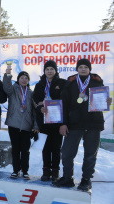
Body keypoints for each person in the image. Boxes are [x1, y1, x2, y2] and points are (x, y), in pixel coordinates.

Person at [53, 59, 112, 191]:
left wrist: (107, 100)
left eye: (86, 67)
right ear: (77, 69)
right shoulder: (71, 82)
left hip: (93, 123)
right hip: (74, 123)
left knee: (90, 153)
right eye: (81, 67)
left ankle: (86, 180)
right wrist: (63, 123)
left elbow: (101, 100)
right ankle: (67, 178)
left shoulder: (97, 81)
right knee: (67, 153)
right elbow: (65, 104)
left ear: (89, 69)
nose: (83, 69)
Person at [33, 60, 66, 181]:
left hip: (57, 121)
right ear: (44, 71)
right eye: (47, 69)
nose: (49, 71)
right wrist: (40, 108)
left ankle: (55, 171)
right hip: (44, 121)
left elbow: (66, 100)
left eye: (52, 69)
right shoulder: (39, 85)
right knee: (46, 147)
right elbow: (36, 101)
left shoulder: (62, 83)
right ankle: (46, 170)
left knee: (56, 147)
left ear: (55, 70)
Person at [3, 69, 38, 180]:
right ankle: (15, 170)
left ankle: (25, 171)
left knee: (25, 150)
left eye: (26, 78)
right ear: (18, 79)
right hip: (14, 123)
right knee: (15, 148)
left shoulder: (31, 93)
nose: (24, 80)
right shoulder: (13, 90)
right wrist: (8, 75)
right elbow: (6, 87)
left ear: (28, 81)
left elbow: (34, 111)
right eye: (21, 78)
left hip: (27, 125)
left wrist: (35, 126)